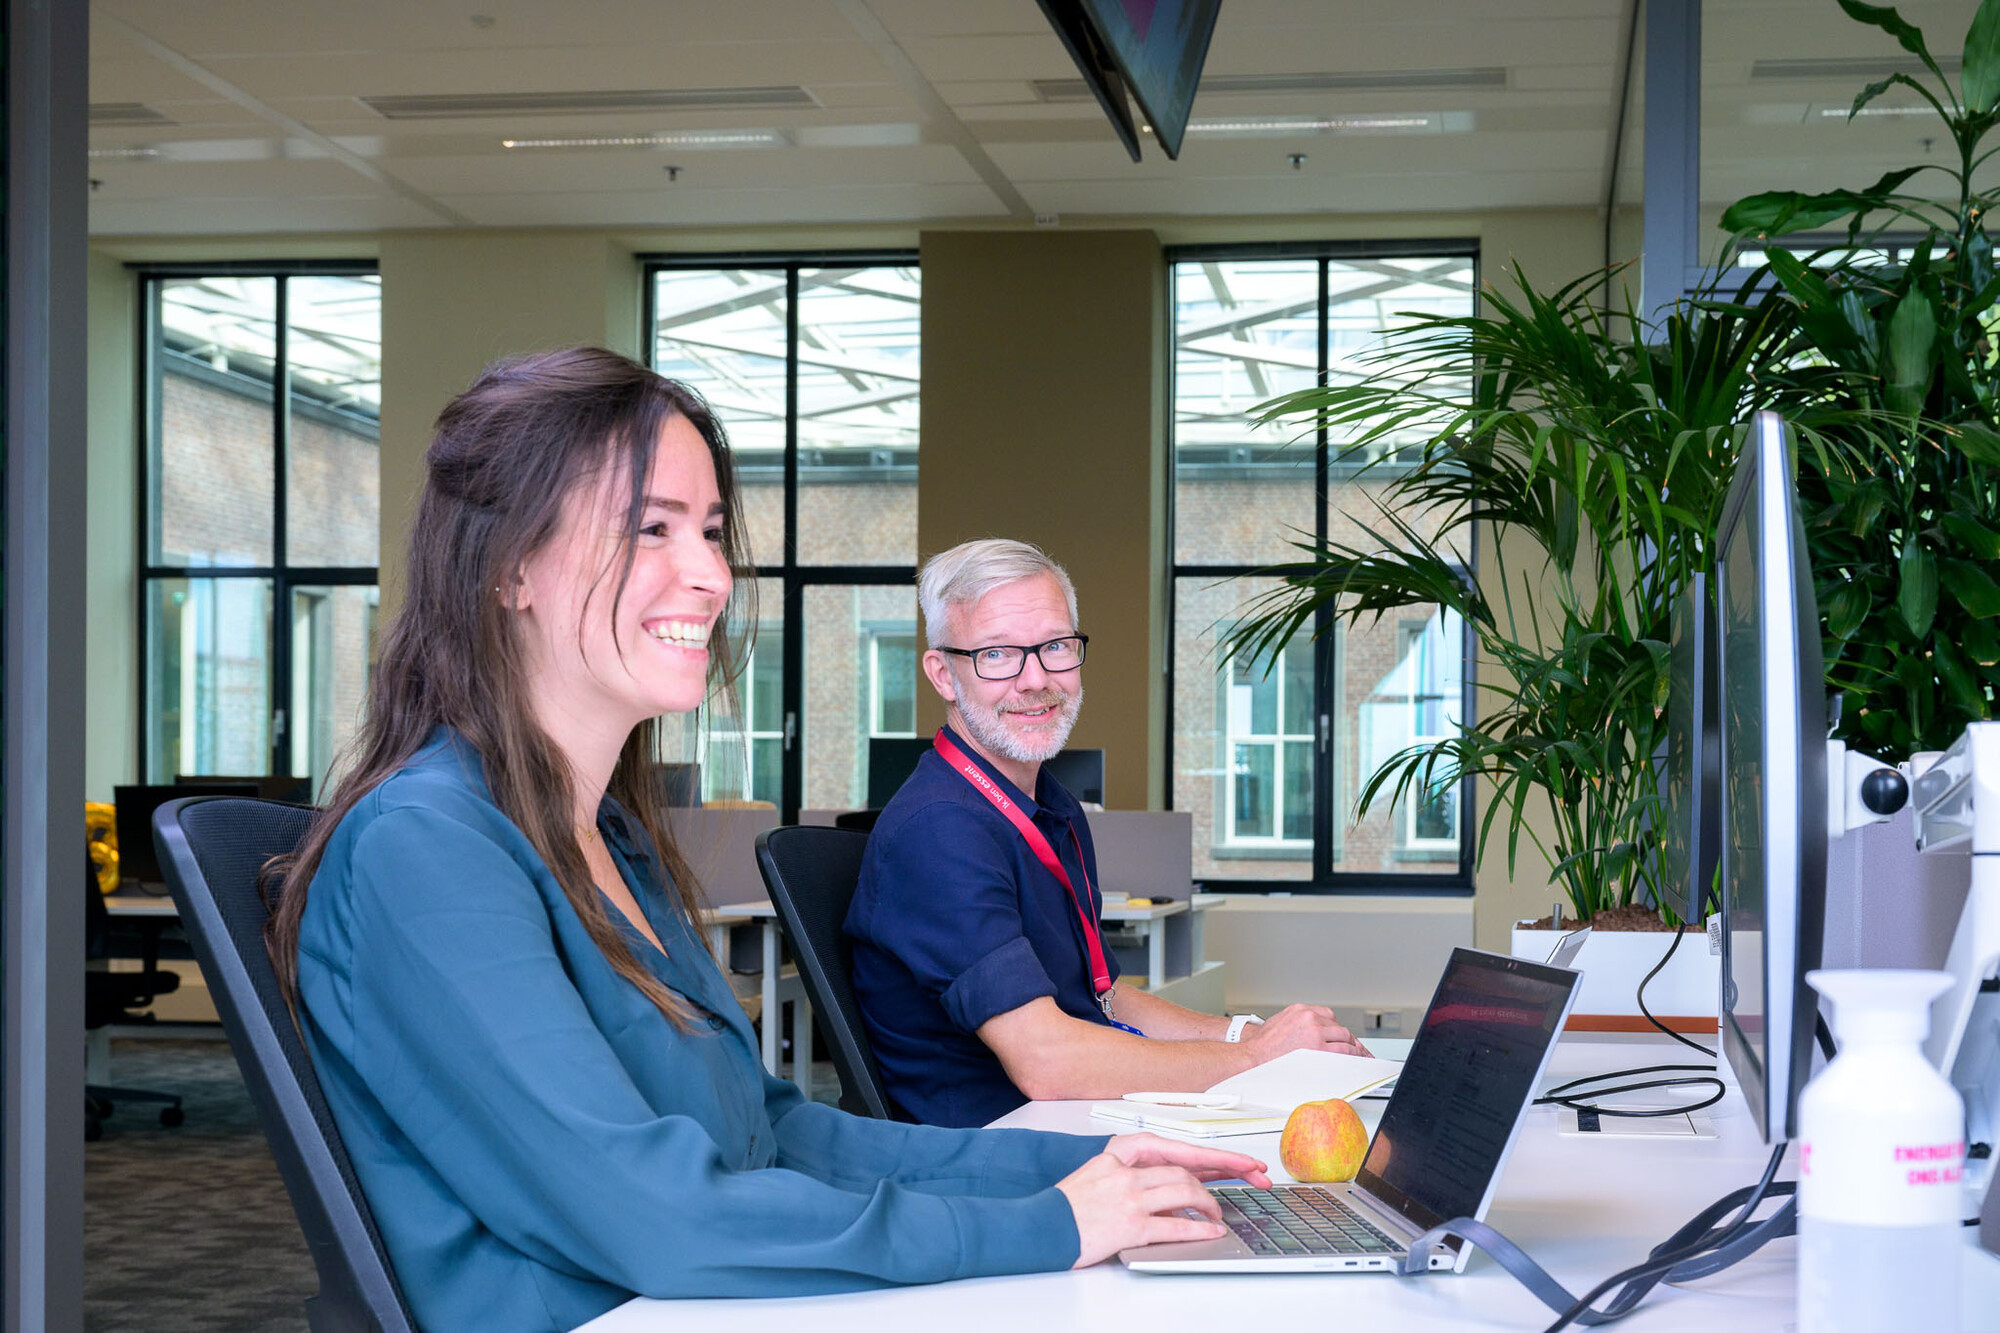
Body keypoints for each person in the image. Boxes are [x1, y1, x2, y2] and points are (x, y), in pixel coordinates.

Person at [264, 349, 1268, 1332]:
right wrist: (1046, 1227)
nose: (707, 574)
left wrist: (1091, 1167)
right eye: (650, 528)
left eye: (707, 531)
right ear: (509, 567)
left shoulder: (606, 835)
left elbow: (773, 1133)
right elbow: (658, 1218)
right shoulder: (425, 850)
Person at [846, 539, 1371, 1129]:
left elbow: (1102, 994)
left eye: (1055, 647)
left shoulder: (1052, 806)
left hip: (1076, 1120)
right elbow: (1046, 1061)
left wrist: (1243, 1032)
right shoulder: (940, 830)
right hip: (999, 1156)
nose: (1036, 678)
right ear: (944, 674)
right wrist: (1253, 1060)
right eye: (997, 654)